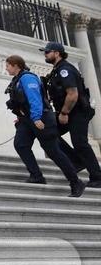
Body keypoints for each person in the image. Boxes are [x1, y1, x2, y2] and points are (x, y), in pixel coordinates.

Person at [5, 54, 85, 197]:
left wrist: (35, 118)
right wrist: (21, 117)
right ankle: (36, 176)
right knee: (21, 144)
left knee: (53, 151)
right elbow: (21, 102)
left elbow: (35, 100)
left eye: (8, 65)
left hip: (41, 119)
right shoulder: (17, 80)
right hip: (27, 120)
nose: (6, 68)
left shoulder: (27, 78)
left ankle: (75, 182)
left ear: (16, 65)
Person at [42, 42, 101, 186]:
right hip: (69, 112)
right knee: (47, 132)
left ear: (57, 53)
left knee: (80, 143)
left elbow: (73, 94)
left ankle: (97, 177)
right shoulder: (56, 70)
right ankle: (76, 161)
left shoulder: (65, 69)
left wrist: (63, 113)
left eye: (47, 52)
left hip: (77, 111)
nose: (45, 54)